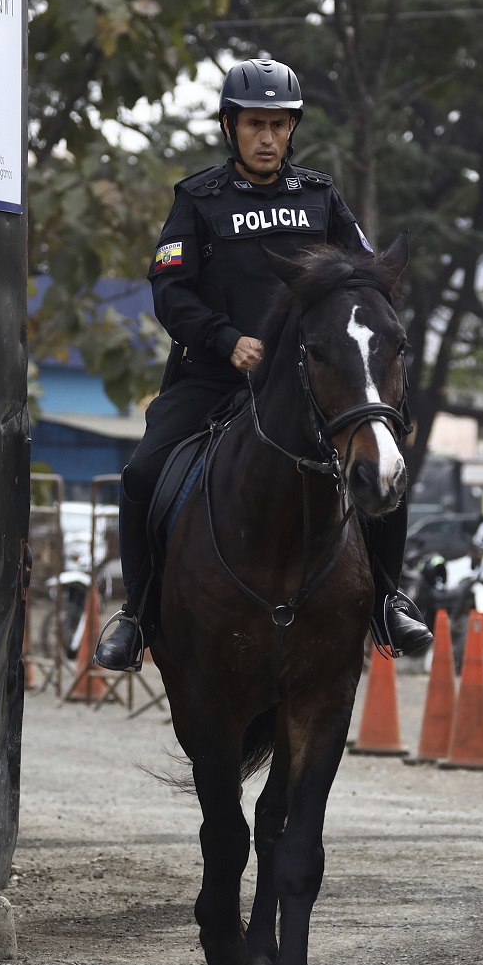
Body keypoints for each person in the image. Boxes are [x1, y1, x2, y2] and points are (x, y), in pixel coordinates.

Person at [92, 58, 433, 671]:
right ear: (230, 127)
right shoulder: (197, 200)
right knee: (142, 473)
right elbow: (170, 291)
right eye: (256, 124)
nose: (269, 137)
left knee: (382, 462)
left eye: (280, 124)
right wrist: (224, 339)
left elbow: (366, 274)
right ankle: (138, 614)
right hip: (215, 378)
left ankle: (387, 597)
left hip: (309, 384)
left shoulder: (320, 197)